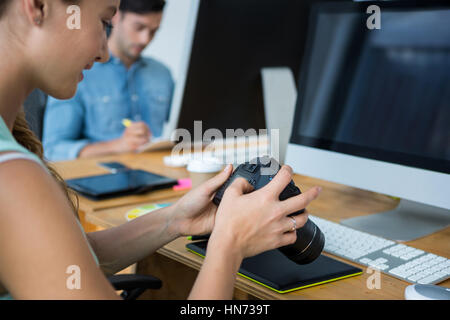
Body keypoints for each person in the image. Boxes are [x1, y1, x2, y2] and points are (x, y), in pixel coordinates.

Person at [0, 0, 321, 300]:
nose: (103, 53)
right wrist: (229, 245)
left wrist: (175, 220)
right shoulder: (13, 176)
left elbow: (69, 258)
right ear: (38, 6)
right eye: (104, 21)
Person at [42, 0, 174, 161]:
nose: (144, 39)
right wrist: (118, 146)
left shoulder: (163, 74)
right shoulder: (78, 73)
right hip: (100, 180)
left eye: (154, 31)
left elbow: (178, 127)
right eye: (138, 27)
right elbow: (53, 149)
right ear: (116, 16)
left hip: (159, 173)